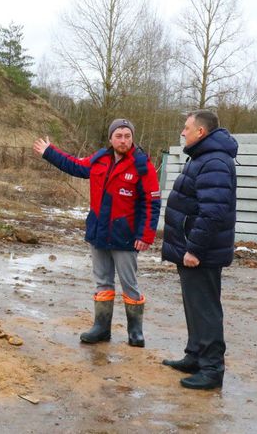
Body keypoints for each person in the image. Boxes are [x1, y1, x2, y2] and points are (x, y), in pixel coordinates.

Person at [33, 119, 161, 347]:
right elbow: (74, 165)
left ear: (132, 138)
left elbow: (151, 203)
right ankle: (101, 328)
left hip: (126, 236)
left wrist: (146, 235)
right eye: (119, 136)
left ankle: (135, 331)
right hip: (99, 231)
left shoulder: (142, 165)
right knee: (102, 282)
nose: (123, 140)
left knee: (129, 283)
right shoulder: (99, 159)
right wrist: (49, 152)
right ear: (111, 139)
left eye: (127, 136)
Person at [161, 110, 237, 390]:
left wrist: (194, 249)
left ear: (200, 132)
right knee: (195, 305)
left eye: (186, 128)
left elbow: (212, 213)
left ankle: (212, 369)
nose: (183, 132)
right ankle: (195, 355)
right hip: (192, 249)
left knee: (205, 309)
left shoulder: (215, 161)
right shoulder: (204, 158)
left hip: (201, 252)